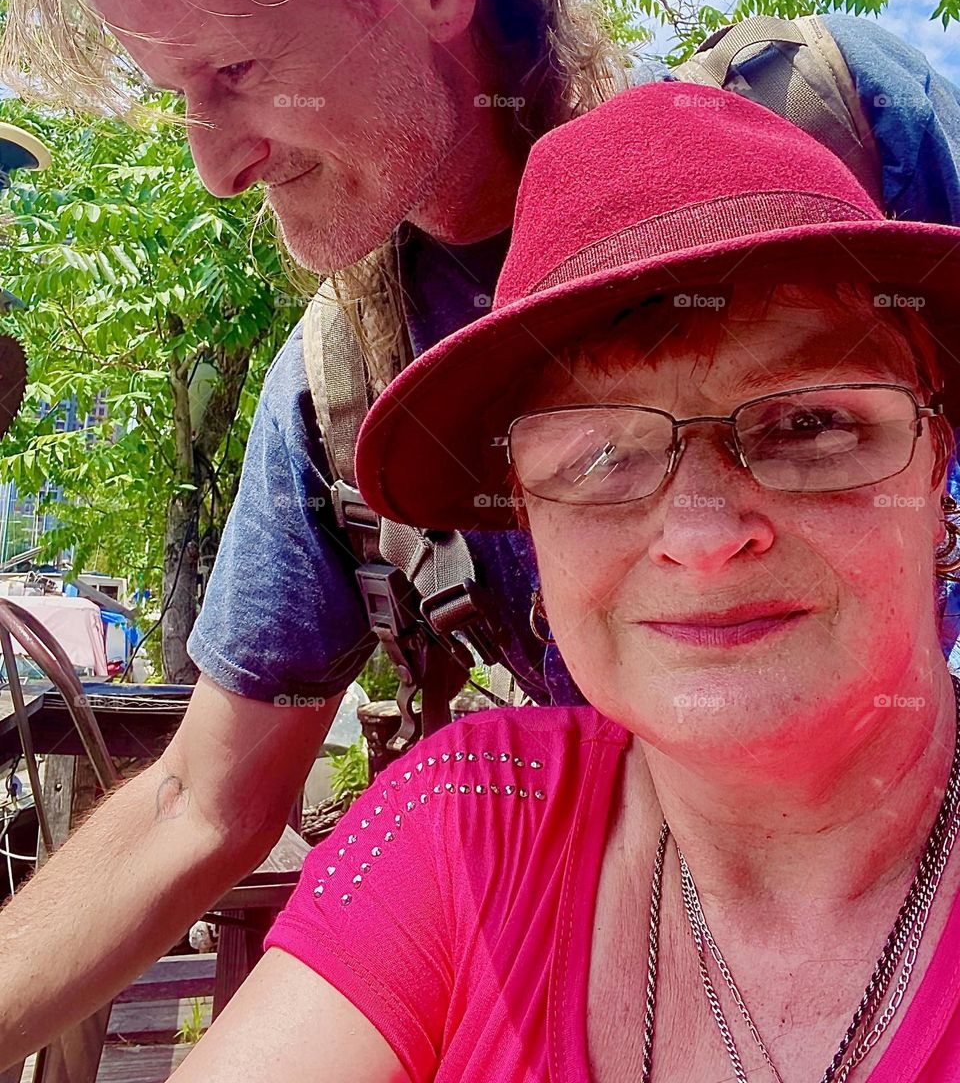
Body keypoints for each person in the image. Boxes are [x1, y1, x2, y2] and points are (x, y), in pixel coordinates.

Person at [1, 0, 960, 1063]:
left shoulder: (848, 145)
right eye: (597, 455)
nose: (214, 164)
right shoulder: (343, 388)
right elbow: (199, 797)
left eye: (231, 74)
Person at [169, 81, 960, 1082]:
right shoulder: (464, 825)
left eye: (808, 425)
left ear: (936, 465)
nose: (703, 534)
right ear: (530, 526)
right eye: (600, 457)